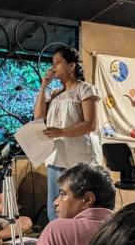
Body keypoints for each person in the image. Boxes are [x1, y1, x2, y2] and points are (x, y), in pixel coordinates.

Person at [33, 46, 103, 221]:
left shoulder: (85, 89)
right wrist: (43, 86)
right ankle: (58, 235)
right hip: (56, 157)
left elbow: (90, 124)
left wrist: (61, 131)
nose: (53, 67)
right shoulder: (55, 94)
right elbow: (38, 117)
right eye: (52, 63)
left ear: (71, 66)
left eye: (58, 62)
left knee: (79, 204)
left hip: (79, 159)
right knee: (56, 207)